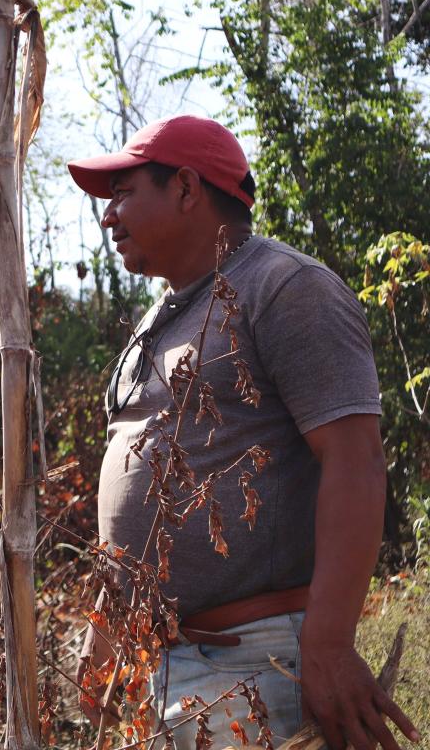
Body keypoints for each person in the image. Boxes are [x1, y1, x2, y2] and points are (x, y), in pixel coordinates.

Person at [66, 115, 421, 750]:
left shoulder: (285, 289)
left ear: (184, 188)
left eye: (123, 193)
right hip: (159, 669)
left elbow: (356, 459)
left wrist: (331, 644)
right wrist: (107, 632)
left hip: (254, 666)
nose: (109, 215)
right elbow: (137, 494)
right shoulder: (161, 317)